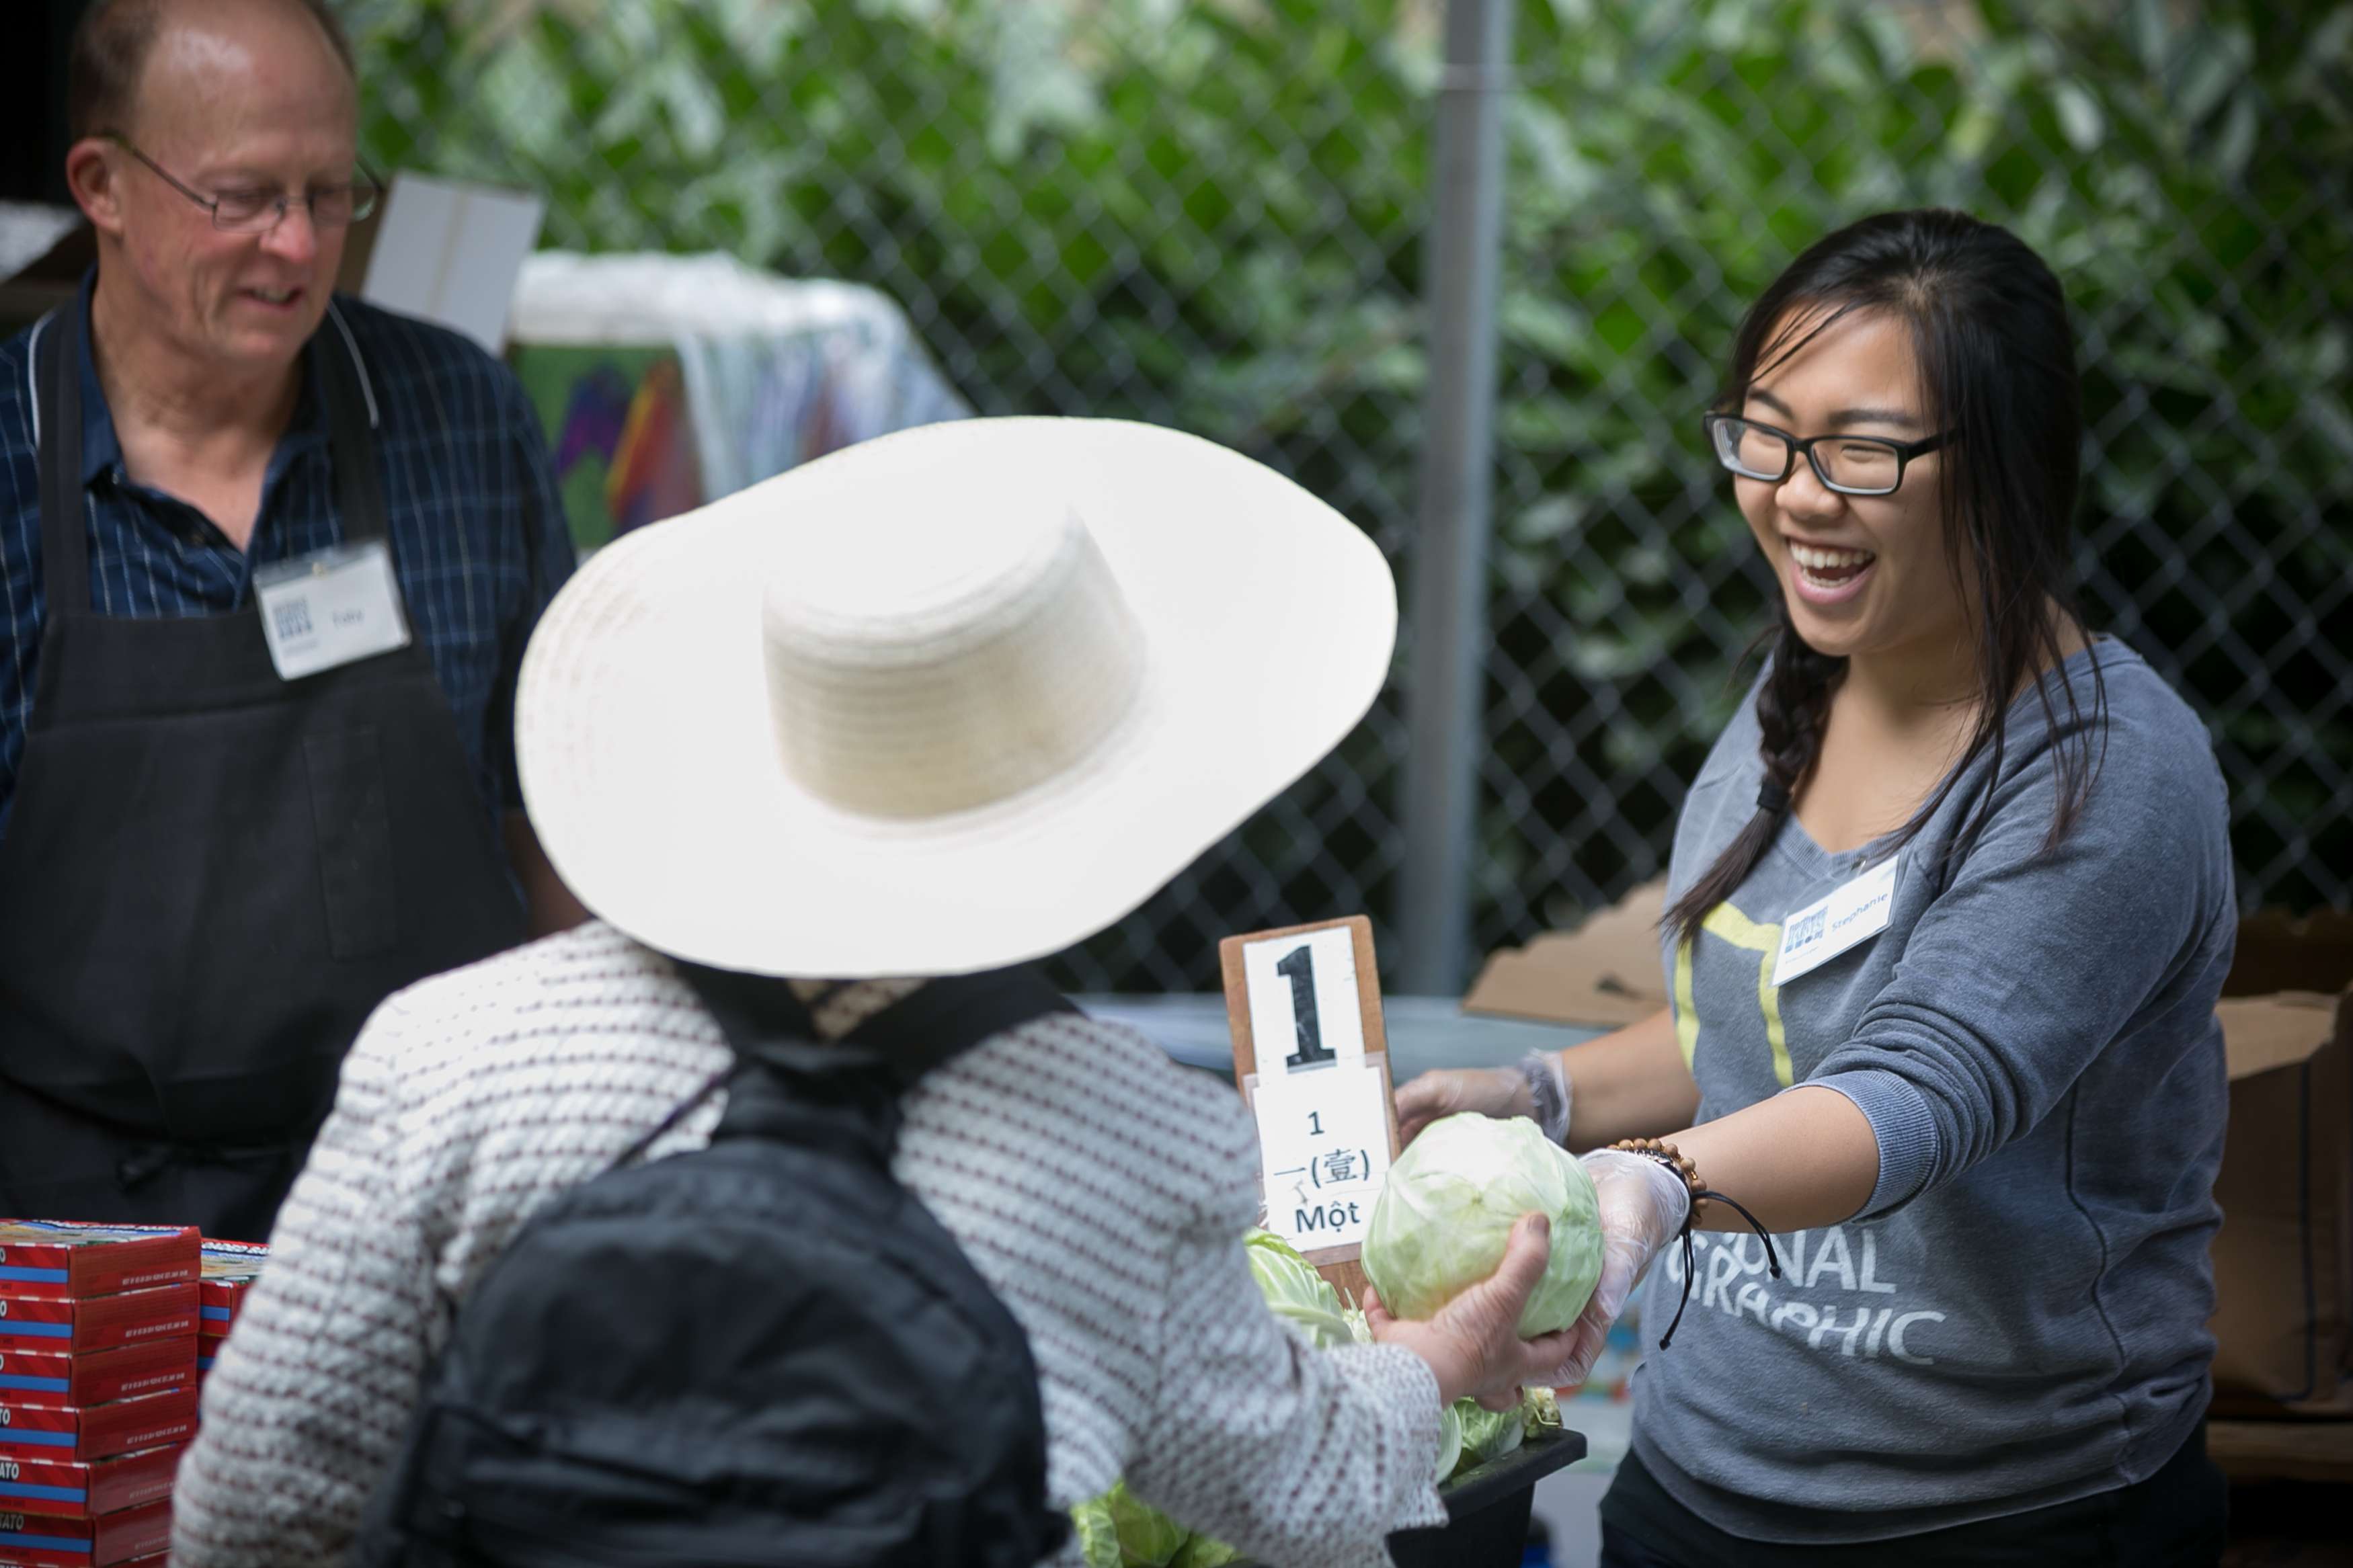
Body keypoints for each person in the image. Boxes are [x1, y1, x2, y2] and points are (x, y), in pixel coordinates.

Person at [171, 417, 1581, 1567]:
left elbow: (254, 1508)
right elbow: (1302, 1491)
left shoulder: (451, 1055)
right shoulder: (1128, 1144)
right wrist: (1435, 1360)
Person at [1402, 210, 2233, 1565]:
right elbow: (1763, 1022)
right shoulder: (1800, 693)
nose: (1793, 493)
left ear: (2006, 463)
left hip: (2003, 1514)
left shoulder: (2113, 776)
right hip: (1697, 1477)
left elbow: (1911, 1092)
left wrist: (1653, 1189)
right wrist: (1535, 1100)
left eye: (1858, 449)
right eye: (1766, 433)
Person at [0, 0, 584, 1241]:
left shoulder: (459, 416)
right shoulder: (7, 455)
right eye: (245, 194)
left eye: (331, 193)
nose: (297, 244)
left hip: (431, 1198)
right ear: (101, 185)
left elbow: (556, 816)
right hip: (76, 1239)